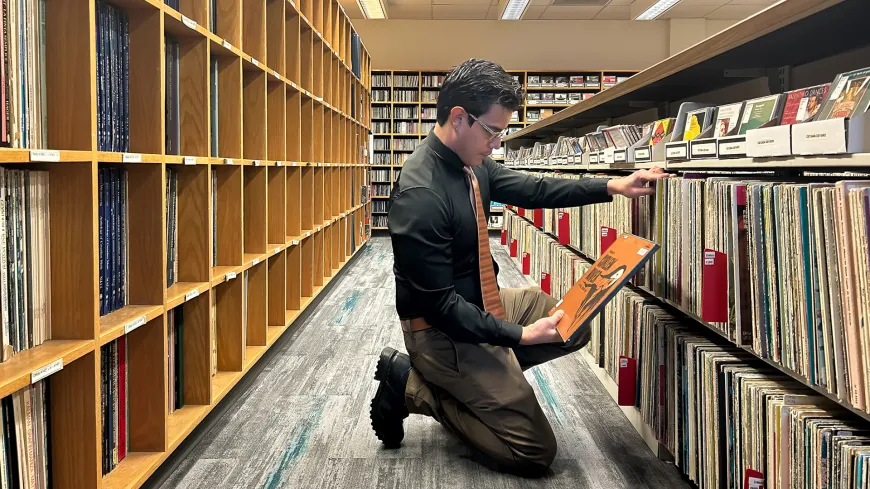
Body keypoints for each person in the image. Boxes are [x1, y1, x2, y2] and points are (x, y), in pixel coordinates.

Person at [370, 58, 669, 478]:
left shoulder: (471, 163)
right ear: (459, 118)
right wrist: (520, 334)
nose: (497, 143)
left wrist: (610, 186)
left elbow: (534, 188)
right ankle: (413, 386)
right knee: (532, 451)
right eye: (492, 131)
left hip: (482, 301)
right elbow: (439, 306)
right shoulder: (421, 192)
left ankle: (483, 384)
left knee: (571, 322)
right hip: (442, 332)